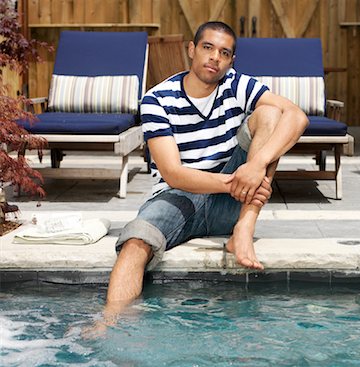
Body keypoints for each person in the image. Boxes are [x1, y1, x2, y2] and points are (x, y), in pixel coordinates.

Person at [105, 21, 308, 317]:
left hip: (234, 202)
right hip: (178, 197)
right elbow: (173, 173)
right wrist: (235, 181)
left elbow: (297, 116)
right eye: (208, 48)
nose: (215, 57)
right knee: (135, 242)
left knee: (270, 113)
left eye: (224, 53)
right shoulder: (157, 99)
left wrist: (256, 166)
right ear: (192, 49)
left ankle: (244, 229)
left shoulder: (237, 84)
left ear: (231, 61)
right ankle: (111, 327)